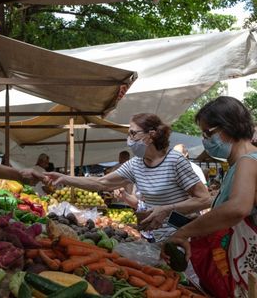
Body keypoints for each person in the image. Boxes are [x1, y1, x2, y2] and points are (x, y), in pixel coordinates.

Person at [45, 113, 210, 241]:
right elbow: (101, 182)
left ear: (150, 135)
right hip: (154, 236)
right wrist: (63, 178)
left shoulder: (175, 161)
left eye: (133, 134)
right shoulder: (136, 164)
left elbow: (204, 199)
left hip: (181, 237)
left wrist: (167, 209)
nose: (129, 140)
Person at [163, 96, 257, 297]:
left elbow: (237, 209)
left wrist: (182, 232)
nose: (205, 140)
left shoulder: (247, 162)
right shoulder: (238, 165)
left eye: (208, 133)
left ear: (227, 127)